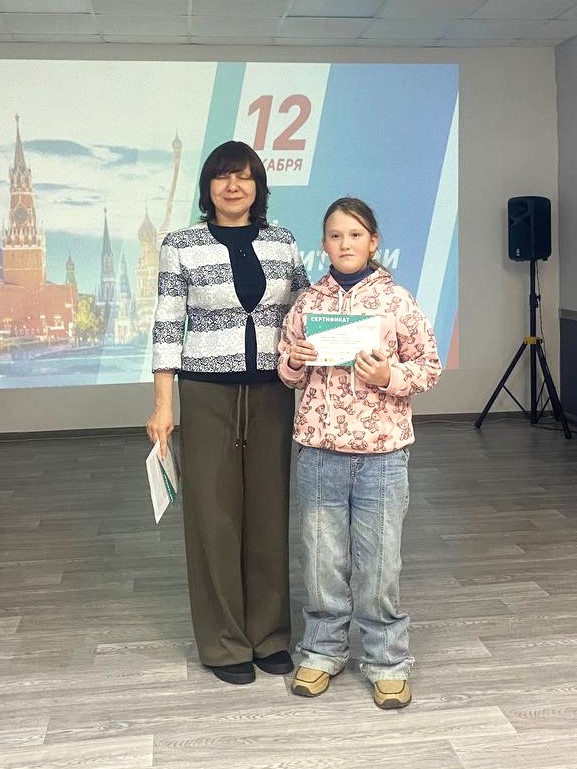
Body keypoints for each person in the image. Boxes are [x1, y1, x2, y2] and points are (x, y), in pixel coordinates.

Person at [146, 140, 310, 686]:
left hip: (272, 391)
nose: (232, 186)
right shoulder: (181, 245)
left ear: (258, 186)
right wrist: (163, 403)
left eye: (243, 177)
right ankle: (223, 643)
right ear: (208, 187)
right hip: (206, 392)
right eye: (221, 177)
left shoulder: (283, 241)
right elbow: (168, 323)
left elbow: (306, 309)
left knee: (269, 513)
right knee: (212, 515)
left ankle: (270, 636)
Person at [277, 197, 441, 709]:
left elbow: (429, 367)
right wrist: (295, 361)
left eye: (354, 235)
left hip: (383, 456)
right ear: (323, 245)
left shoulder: (398, 302)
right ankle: (321, 651)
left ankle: (387, 660)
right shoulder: (308, 303)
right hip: (319, 453)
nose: (344, 243)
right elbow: (287, 373)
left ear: (373, 242)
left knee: (380, 564)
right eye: (334, 235)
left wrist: (388, 375)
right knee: (321, 560)